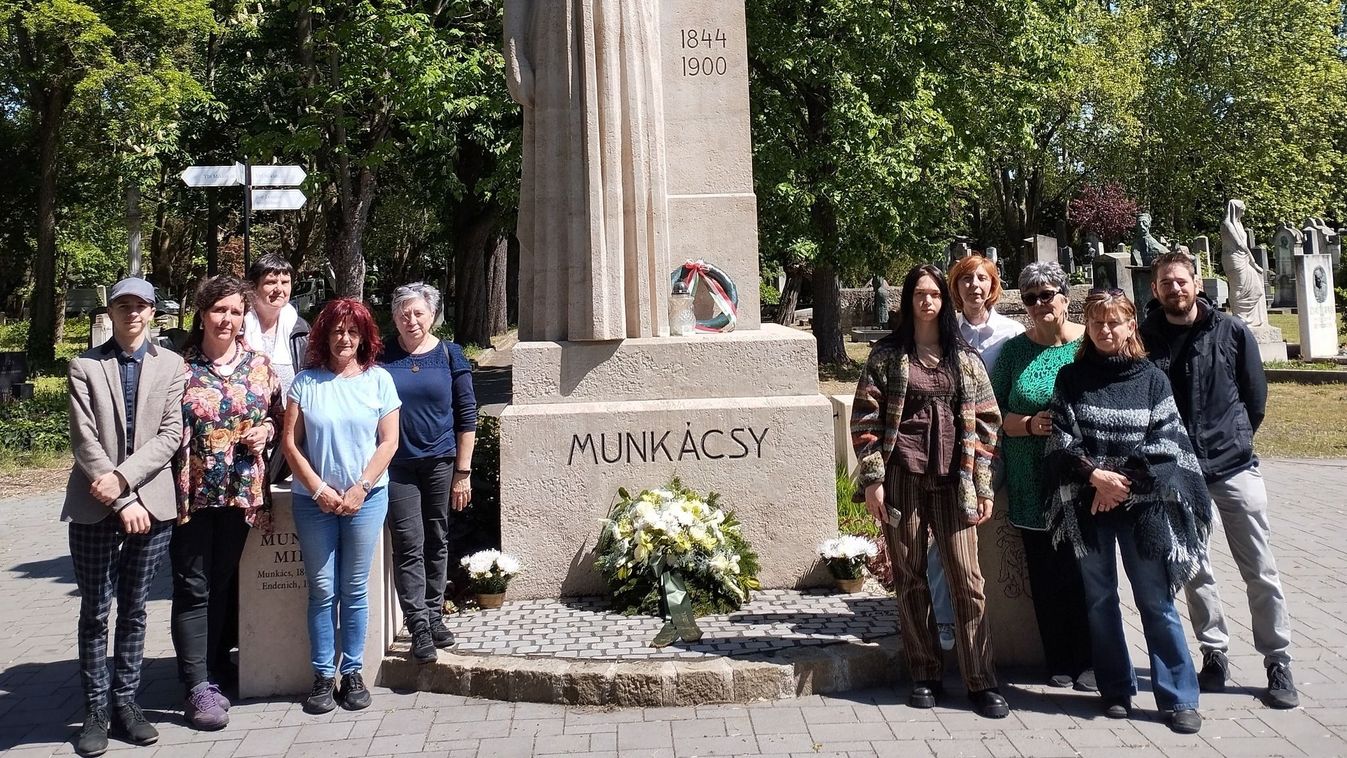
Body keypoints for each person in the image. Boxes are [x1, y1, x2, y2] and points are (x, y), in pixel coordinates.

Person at [1044, 288, 1211, 733]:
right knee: (1099, 601)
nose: (1105, 329)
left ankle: (1178, 697)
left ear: (1130, 325)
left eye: (1114, 321)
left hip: (1145, 510)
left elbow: (1165, 445)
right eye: (1097, 321)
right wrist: (1095, 478)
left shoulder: (1153, 378)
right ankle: (1115, 688)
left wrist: (1117, 485)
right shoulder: (1070, 377)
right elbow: (1060, 441)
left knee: (1156, 603)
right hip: (1088, 505)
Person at [1141, 251, 1299, 709]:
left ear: (1197, 283)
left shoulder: (1231, 330)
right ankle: (1214, 653)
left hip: (1233, 466)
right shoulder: (1147, 339)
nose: (1174, 289)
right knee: (1196, 570)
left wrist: (1237, 440)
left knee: (1260, 569)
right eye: (1165, 283)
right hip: (1178, 472)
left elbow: (1255, 397)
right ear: (1155, 290)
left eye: (1181, 281)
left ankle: (1278, 659)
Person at [851, 265, 1008, 719]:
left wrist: (982, 485)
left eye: (935, 294)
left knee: (968, 579)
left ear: (944, 301)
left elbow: (987, 423)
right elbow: (866, 419)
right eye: (919, 294)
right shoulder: (887, 355)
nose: (927, 302)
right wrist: (874, 478)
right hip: (903, 478)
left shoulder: (964, 359)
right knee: (910, 577)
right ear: (908, 300)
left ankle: (981, 679)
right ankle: (925, 672)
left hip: (954, 481)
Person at [64, 276, 186, 756]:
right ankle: (95, 711)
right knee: (95, 612)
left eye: (140, 305)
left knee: (134, 612)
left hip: (151, 505)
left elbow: (171, 435)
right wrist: (117, 497)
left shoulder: (173, 364)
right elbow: (83, 439)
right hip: (94, 507)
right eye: (123, 306)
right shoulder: (84, 366)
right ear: (110, 312)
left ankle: (126, 704)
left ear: (153, 312)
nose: (132, 313)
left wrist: (126, 483)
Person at [504, 0, 672, 340]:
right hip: (557, 28)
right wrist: (515, 52)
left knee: (628, 150)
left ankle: (639, 312)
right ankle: (563, 317)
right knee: (564, 164)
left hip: (627, 24)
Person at [171, 275, 282, 730]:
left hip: (241, 497)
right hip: (191, 499)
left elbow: (279, 417)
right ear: (202, 313)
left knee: (222, 583)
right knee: (193, 586)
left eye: (236, 311)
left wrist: (268, 432)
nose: (228, 319)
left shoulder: (260, 365)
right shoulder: (178, 367)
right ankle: (196, 685)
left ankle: (213, 666)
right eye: (219, 310)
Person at [281, 298, 401, 714]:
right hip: (314, 502)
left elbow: (389, 442)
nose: (344, 339)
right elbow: (291, 444)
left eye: (352, 332)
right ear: (324, 336)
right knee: (322, 589)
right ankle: (321, 676)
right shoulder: (305, 383)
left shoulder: (379, 380)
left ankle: (352, 673)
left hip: (366, 500)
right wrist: (317, 489)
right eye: (336, 331)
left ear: (364, 337)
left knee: (353, 589)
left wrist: (361, 488)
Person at [988, 262, 1095, 691]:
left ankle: (1091, 658)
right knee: (1045, 573)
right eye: (1030, 298)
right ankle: (1060, 660)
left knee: (1084, 571)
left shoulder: (1089, 344)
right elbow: (992, 413)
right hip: (1029, 476)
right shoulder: (1015, 351)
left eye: (1046, 295)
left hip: (1081, 478)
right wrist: (1030, 425)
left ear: (1065, 298)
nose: (1038, 305)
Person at [920, 254, 1025, 650]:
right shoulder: (945, 333)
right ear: (956, 287)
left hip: (1003, 443)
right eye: (965, 280)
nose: (974, 286)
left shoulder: (1012, 334)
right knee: (945, 531)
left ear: (993, 285)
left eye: (981, 279)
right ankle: (944, 620)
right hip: (957, 445)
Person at [379, 283, 478, 664]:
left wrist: (462, 472)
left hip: (440, 462)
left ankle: (435, 614)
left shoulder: (449, 355)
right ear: (395, 318)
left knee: (437, 537)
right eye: (404, 313)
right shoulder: (381, 355)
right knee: (408, 542)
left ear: (432, 315)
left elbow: (466, 415)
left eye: (418, 313)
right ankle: (418, 625)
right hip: (397, 463)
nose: (411, 320)